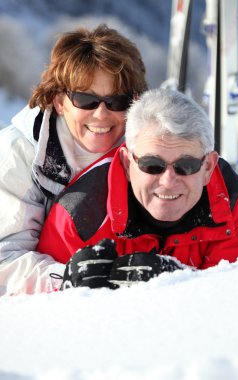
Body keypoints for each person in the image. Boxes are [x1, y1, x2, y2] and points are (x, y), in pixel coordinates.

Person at [38, 87, 238, 290]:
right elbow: (37, 312)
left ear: (208, 167)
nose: (168, 180)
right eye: (152, 165)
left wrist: (181, 281)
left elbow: (235, 306)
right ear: (127, 163)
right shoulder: (80, 216)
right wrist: (66, 289)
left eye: (186, 166)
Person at [0, 24, 147, 295]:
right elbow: (4, 261)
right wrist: (68, 280)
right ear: (59, 101)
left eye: (117, 101)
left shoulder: (147, 152)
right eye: (85, 100)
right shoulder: (18, 154)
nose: (102, 115)